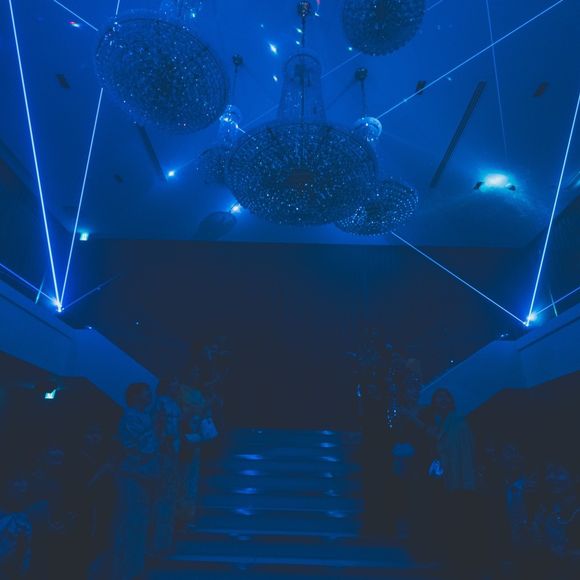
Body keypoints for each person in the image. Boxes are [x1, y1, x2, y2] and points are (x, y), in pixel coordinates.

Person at [112, 382, 160, 580]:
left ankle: (134, 569)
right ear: (133, 396)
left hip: (144, 476)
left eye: (148, 391)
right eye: (144, 391)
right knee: (130, 525)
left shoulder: (145, 417)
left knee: (140, 525)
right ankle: (124, 572)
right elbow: (137, 448)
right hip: (132, 476)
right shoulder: (130, 418)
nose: (148, 394)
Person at [150, 379, 182, 554]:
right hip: (164, 451)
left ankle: (164, 540)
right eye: (173, 383)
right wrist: (164, 444)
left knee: (169, 494)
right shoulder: (160, 402)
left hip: (173, 449)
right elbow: (158, 427)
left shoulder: (175, 404)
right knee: (161, 495)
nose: (176, 386)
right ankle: (157, 542)